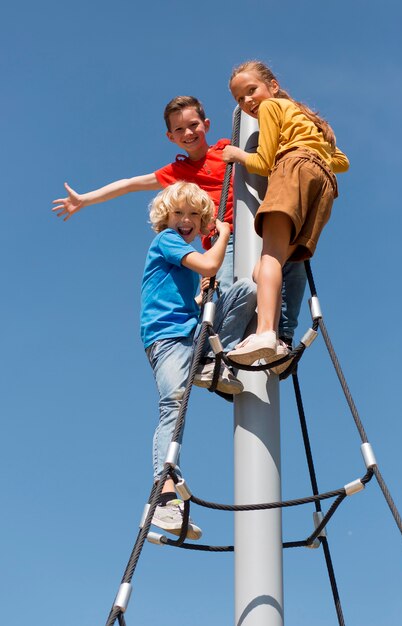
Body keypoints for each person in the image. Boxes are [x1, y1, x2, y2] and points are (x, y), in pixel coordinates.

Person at [52, 95, 306, 345]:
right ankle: (220, 352)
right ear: (170, 137)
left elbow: (267, 154)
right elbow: (129, 185)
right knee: (231, 293)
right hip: (223, 239)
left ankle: (283, 336)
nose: (188, 132)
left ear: (206, 125)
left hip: (259, 228)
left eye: (193, 125)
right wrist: (85, 199)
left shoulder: (227, 150)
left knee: (294, 265)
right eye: (179, 129)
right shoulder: (177, 172)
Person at [141, 182, 257, 539]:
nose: (186, 220)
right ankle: (163, 497)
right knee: (172, 406)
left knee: (245, 292)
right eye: (179, 213)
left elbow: (194, 289)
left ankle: (212, 364)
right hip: (167, 339)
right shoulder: (166, 241)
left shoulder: (182, 254)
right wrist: (222, 234)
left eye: (194, 214)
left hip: (190, 333)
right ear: (166, 218)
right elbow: (210, 261)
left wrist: (202, 295)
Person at [222, 60, 349, 367]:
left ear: (272, 86)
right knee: (269, 268)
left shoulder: (270, 109)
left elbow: (264, 163)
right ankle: (278, 340)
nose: (247, 101)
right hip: (323, 185)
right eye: (239, 99)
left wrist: (237, 153)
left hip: (292, 171)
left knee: (269, 258)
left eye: (251, 91)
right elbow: (341, 162)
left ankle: (266, 332)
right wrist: (315, 151)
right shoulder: (305, 117)